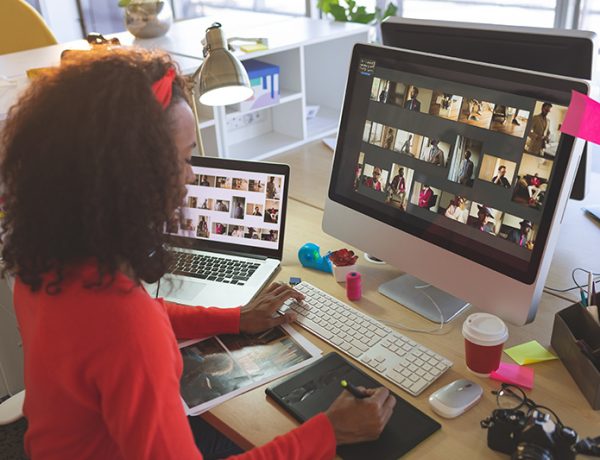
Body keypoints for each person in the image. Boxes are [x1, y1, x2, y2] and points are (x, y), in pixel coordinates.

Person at [1, 48, 396, 460]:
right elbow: (131, 329)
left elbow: (143, 316)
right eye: (184, 159)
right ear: (133, 177)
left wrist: (235, 318)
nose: (191, 176)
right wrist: (329, 433)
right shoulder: (127, 330)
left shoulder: (45, 261)